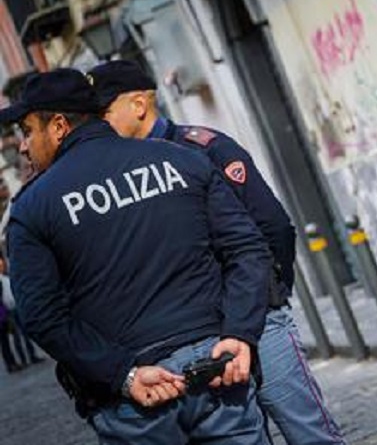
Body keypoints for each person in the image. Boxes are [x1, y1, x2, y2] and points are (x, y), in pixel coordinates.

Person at [2, 68, 274, 444]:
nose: (24, 146)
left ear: (60, 125)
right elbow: (247, 248)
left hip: (136, 402)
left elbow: (42, 315)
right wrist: (239, 333)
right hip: (215, 367)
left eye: (28, 131)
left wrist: (122, 375)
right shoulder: (182, 161)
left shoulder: (32, 208)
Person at [87, 60, 345, 444]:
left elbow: (274, 226)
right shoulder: (120, 176)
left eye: (104, 113)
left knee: (308, 432)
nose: (99, 125)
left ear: (139, 105)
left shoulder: (205, 148)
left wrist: (270, 296)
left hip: (257, 318)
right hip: (201, 334)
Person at [0, 255, 45, 367]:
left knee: (26, 334)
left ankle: (31, 356)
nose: (2, 265)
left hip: (17, 307)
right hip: (9, 311)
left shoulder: (6, 276)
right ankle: (23, 359)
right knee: (16, 337)